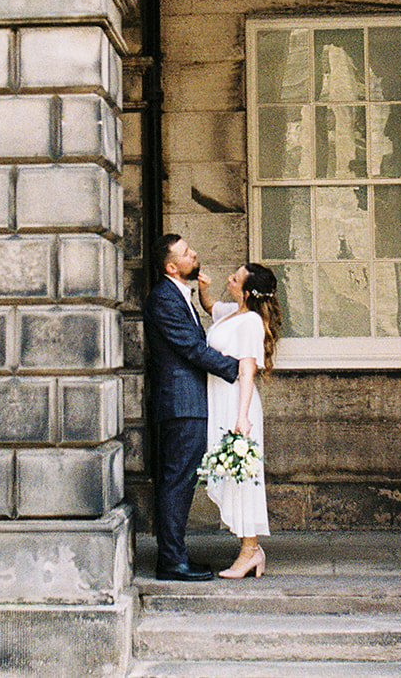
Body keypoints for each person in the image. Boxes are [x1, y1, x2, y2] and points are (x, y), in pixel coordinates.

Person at [142, 233, 240, 581]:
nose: (194, 252)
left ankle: (175, 555)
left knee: (181, 481)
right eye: (186, 252)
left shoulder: (181, 294)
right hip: (180, 403)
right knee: (177, 482)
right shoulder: (163, 298)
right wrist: (236, 367)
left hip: (189, 401)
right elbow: (191, 348)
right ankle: (171, 561)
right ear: (172, 266)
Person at [198, 262, 279, 578]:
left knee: (244, 476)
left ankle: (251, 551)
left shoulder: (250, 323)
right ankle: (249, 548)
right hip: (220, 400)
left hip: (236, 402)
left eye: (235, 278)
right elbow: (208, 307)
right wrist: (202, 287)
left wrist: (242, 417)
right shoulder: (231, 312)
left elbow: (248, 370)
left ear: (247, 291)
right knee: (231, 474)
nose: (229, 279)